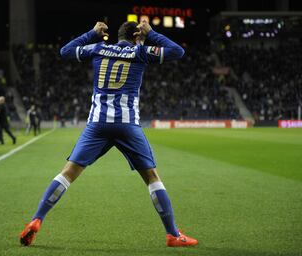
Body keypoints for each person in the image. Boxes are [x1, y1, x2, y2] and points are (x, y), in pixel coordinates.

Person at [19, 21, 197, 247]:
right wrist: (151, 33)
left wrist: (91, 33)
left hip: (97, 124)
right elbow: (177, 51)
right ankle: (172, 234)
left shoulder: (98, 48)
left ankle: (37, 219)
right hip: (127, 125)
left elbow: (64, 51)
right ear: (136, 35)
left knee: (68, 172)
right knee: (151, 177)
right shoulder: (140, 52)